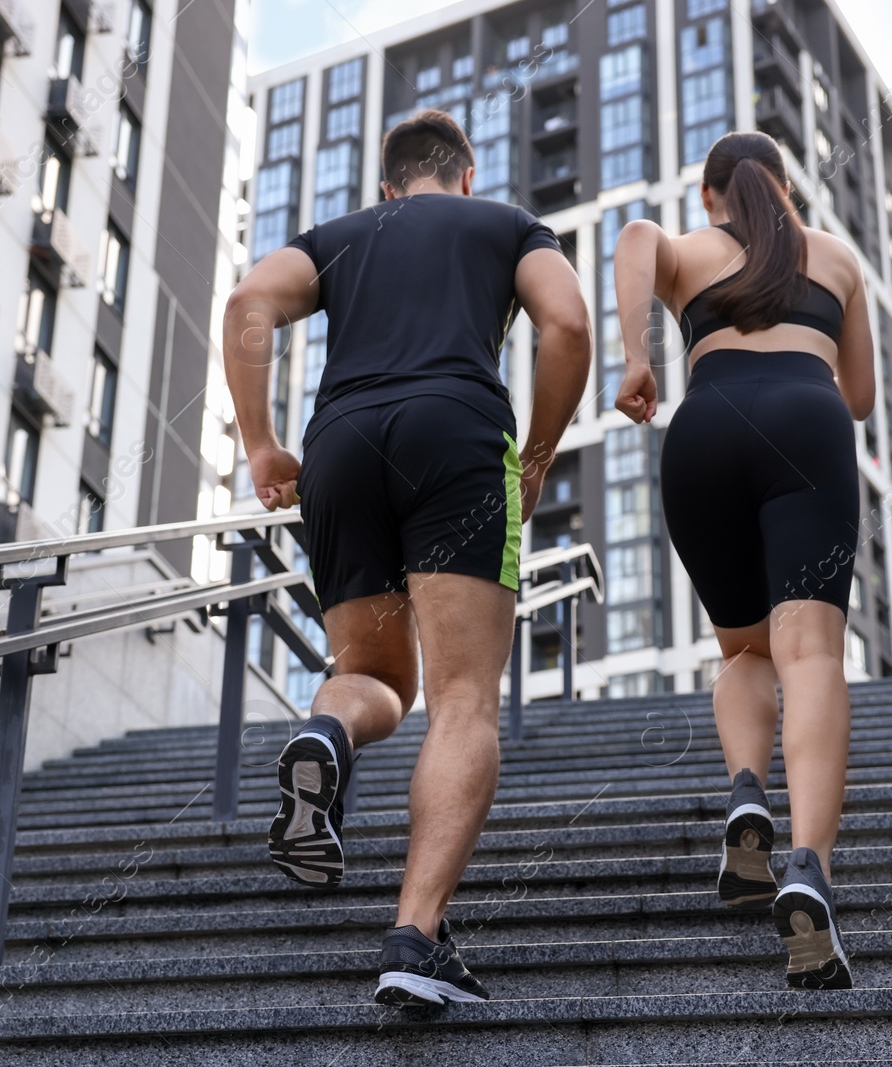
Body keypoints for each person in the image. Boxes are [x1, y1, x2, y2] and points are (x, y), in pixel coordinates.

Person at [222, 109, 592, 1006]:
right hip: (456, 434)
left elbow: (247, 305)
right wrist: (537, 455)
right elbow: (569, 326)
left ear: (388, 186)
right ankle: (414, 934)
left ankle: (327, 733)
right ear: (465, 175)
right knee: (462, 697)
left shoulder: (339, 236)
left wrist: (263, 444)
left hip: (341, 444)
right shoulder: (507, 224)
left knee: (376, 677)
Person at [612, 131, 875, 990]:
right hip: (808, 422)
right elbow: (862, 398)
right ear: (787, 189)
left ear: (712, 195)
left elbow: (633, 240)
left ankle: (746, 787)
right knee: (812, 652)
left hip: (707, 433)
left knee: (746, 649)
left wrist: (639, 359)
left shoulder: (691, 250)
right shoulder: (835, 259)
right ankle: (806, 865)